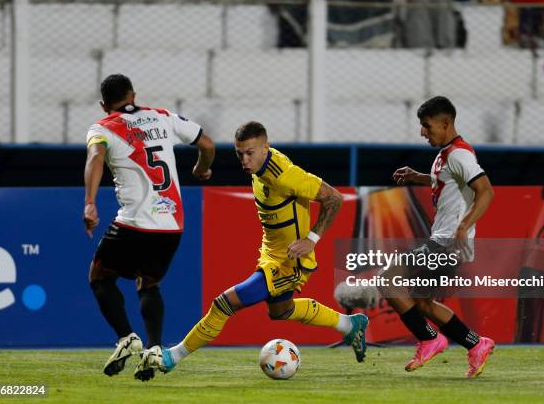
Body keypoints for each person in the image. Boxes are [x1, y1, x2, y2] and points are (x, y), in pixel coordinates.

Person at [133, 121, 369, 379]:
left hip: (289, 262)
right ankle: (349, 324)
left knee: (223, 304)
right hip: (271, 255)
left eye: (250, 153)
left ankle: (171, 357)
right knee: (281, 311)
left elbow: (334, 197)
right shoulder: (261, 167)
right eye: (239, 153)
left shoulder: (284, 175)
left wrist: (311, 239)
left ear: (265, 148)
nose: (244, 160)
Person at [83, 74, 215, 381]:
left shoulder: (102, 127)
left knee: (100, 276)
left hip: (134, 221)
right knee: (149, 283)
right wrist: (202, 167)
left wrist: (90, 202)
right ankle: (155, 349)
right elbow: (206, 143)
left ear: (104, 105)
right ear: (133, 95)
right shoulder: (163, 116)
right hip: (171, 224)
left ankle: (127, 338)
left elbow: (95, 156)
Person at [384, 96, 495, 378]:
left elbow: (486, 191)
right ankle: (476, 343)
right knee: (422, 302)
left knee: (388, 280)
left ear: (446, 123)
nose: (423, 132)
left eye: (427, 126)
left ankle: (430, 339)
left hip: (447, 242)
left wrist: (463, 226)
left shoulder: (459, 154)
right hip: (444, 239)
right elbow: (444, 182)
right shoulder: (447, 154)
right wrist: (417, 176)